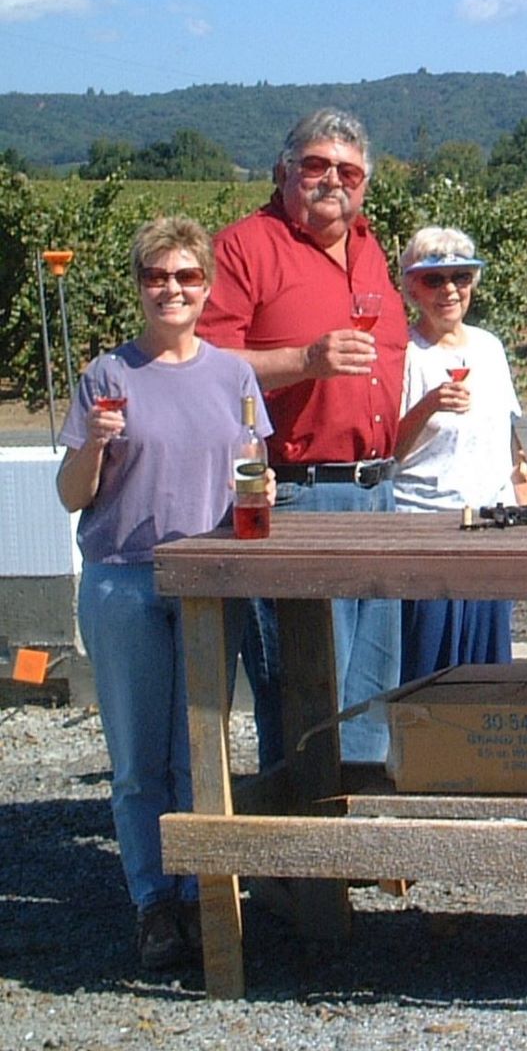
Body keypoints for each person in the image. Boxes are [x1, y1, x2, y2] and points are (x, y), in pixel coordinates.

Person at [56, 217, 272, 971]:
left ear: (206, 287)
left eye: (185, 277)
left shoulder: (234, 377)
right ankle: (152, 901)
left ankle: (200, 894)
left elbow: (253, 465)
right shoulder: (107, 378)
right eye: (157, 276)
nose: (171, 289)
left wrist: (263, 488)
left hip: (210, 582)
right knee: (137, 759)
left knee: (200, 750)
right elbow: (69, 495)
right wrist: (94, 445)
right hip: (126, 578)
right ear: (140, 287)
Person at [199, 108, 406, 766]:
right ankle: (296, 856)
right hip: (298, 495)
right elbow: (202, 366)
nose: (331, 181)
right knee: (304, 691)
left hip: (379, 493)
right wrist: (304, 362)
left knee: (373, 688)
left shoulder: (371, 248)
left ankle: (358, 832)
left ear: (365, 184)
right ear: (283, 171)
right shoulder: (244, 247)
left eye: (348, 171)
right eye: (314, 166)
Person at [393, 227, 527, 679]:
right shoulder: (405, 355)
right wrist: (429, 403)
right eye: (434, 280)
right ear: (411, 287)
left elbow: (509, 441)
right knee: (428, 667)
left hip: (492, 527)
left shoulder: (489, 347)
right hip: (429, 529)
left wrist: (525, 510)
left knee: (489, 669)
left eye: (461, 277)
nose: (449, 290)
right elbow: (390, 451)